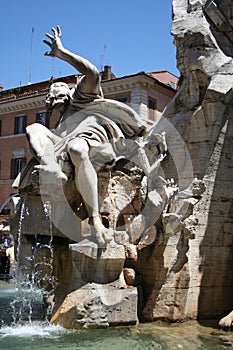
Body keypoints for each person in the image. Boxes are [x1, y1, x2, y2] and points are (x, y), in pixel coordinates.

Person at [21, 26, 146, 246]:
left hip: (90, 143)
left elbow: (93, 74)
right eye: (52, 92)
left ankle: (95, 219)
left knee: (77, 148)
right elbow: (43, 134)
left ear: (70, 93)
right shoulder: (58, 127)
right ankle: (51, 167)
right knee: (33, 128)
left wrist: (62, 53)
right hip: (60, 148)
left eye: (61, 89)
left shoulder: (81, 99)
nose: (55, 93)